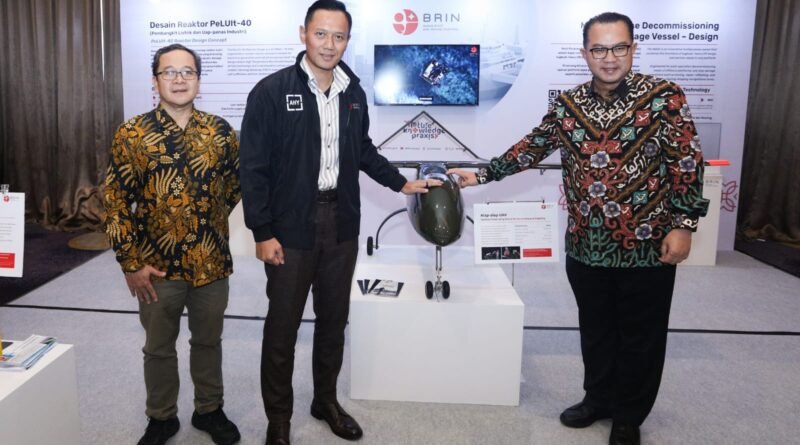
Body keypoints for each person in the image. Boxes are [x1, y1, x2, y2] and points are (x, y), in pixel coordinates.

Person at [450, 12, 709, 445]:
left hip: (647, 245)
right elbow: (533, 146)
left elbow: (687, 162)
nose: (610, 58)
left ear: (633, 48)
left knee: (640, 336)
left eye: (619, 47)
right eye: (599, 49)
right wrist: (483, 174)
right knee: (596, 329)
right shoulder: (567, 104)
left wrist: (684, 224)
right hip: (586, 245)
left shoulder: (664, 97)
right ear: (585, 53)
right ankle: (598, 399)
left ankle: (628, 416)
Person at [238, 2, 436, 444]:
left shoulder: (353, 92)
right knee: (282, 327)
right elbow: (252, 169)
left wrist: (400, 183)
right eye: (321, 34)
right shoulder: (271, 92)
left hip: (341, 222)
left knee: (333, 321)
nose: (329, 45)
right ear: (303, 34)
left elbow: (361, 149)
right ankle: (279, 418)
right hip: (290, 227)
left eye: (339, 36)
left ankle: (324, 400)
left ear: (348, 40)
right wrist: (262, 232)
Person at [104, 44, 242, 445]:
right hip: (155, 267)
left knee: (208, 341)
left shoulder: (220, 132)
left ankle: (209, 410)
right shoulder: (132, 134)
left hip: (211, 263)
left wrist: (205, 225)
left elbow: (232, 189)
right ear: (155, 80)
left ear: (198, 80)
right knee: (158, 347)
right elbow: (115, 200)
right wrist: (130, 262)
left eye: (187, 72)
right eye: (169, 72)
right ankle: (161, 417)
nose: (179, 79)